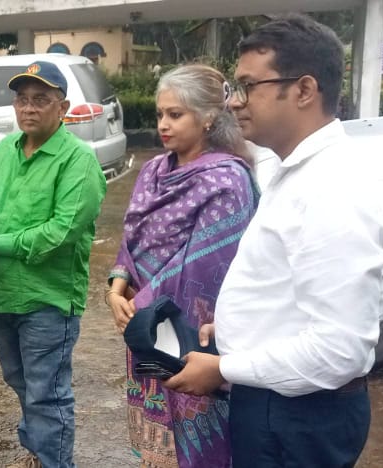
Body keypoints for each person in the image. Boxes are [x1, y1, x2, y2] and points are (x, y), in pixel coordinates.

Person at [164, 15, 383, 468]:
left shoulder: (334, 188)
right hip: (276, 400)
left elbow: (338, 350)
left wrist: (224, 368)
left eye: (250, 86)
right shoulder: (291, 170)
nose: (235, 101)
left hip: (297, 414)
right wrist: (239, 330)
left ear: (304, 90)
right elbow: (291, 286)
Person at [105, 64, 257, 468]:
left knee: (196, 437)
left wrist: (143, 303)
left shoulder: (227, 180)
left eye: (175, 114)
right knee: (154, 436)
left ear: (207, 117)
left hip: (190, 333)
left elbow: (203, 265)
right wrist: (116, 287)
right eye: (160, 114)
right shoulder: (153, 171)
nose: (163, 125)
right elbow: (132, 237)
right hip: (142, 328)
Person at [0, 61, 107, 468]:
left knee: (47, 393)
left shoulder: (78, 160)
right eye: (22, 99)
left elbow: (61, 232)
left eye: (40, 100)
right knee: (21, 381)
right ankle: (38, 453)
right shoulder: (4, 151)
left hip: (47, 299)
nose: (28, 108)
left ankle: (53, 461)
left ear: (62, 108)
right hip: (0, 293)